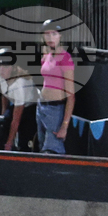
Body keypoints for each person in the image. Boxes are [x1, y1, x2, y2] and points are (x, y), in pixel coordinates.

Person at [37, 19, 75, 154]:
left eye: (54, 34)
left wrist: (64, 125)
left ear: (60, 36)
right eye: (47, 34)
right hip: (41, 107)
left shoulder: (65, 58)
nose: (50, 38)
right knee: (41, 148)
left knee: (51, 152)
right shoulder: (46, 55)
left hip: (55, 109)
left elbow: (71, 96)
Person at [0, 48, 39, 151]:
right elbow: (4, 93)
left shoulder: (19, 85)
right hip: (14, 103)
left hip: (30, 108)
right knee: (0, 125)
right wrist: (3, 116)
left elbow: (16, 119)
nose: (1, 70)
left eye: (6, 66)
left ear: (13, 67)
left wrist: (9, 143)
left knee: (23, 138)